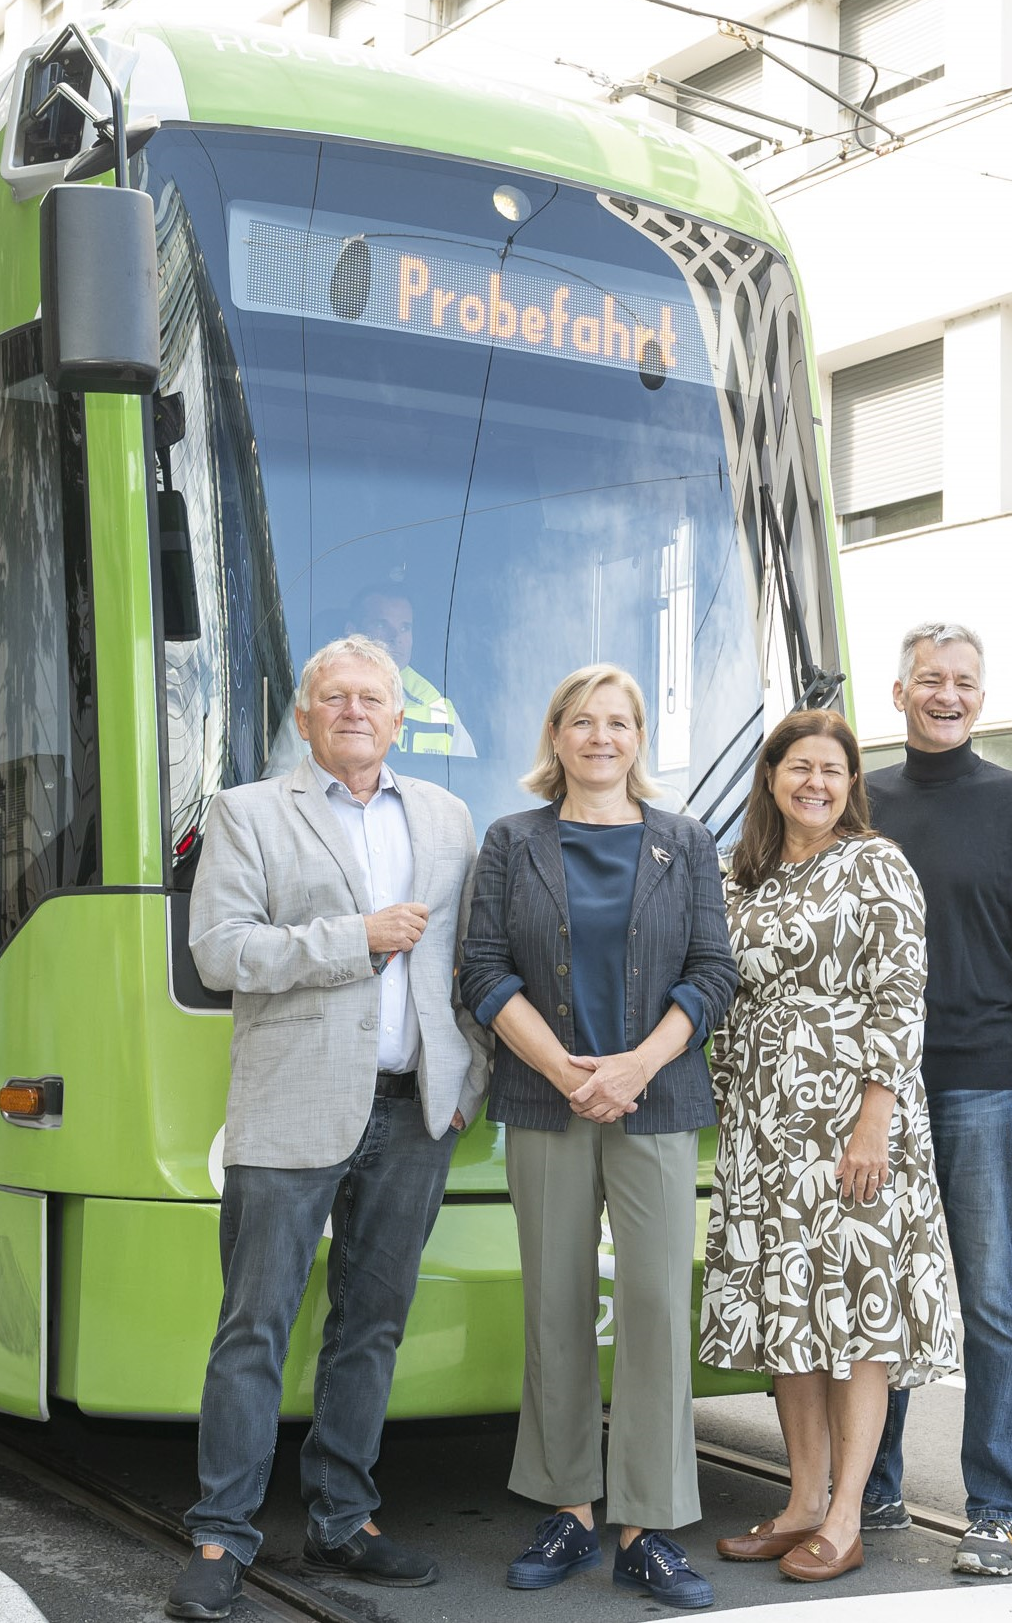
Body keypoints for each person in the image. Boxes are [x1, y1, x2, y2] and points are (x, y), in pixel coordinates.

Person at [167, 636, 492, 1623]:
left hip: (414, 1109)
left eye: (374, 698)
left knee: (372, 1323)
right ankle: (222, 1532)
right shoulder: (249, 810)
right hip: (291, 1104)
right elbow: (220, 952)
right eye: (334, 697)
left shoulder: (445, 816)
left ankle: (344, 1516)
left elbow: (468, 956)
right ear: (305, 718)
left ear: (401, 719)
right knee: (254, 1324)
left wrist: (467, 1067)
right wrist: (355, 938)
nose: (355, 710)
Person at [458, 664, 737, 1612]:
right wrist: (566, 1069)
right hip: (547, 1102)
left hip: (653, 1103)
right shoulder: (511, 841)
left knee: (658, 1307)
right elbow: (484, 972)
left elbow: (712, 975)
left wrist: (631, 1068)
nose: (602, 737)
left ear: (638, 739)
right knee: (556, 1306)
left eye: (620, 722)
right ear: (557, 735)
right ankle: (568, 1511)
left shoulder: (686, 841)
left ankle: (647, 1528)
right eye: (584, 721)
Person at [703, 710, 959, 1587]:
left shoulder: (876, 864)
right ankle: (801, 1502)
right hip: (764, 1125)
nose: (816, 783)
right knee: (792, 1316)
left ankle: (847, 1515)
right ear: (772, 776)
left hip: (855, 1119)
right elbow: (727, 1006)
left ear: (853, 786)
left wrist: (875, 1120)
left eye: (834, 771)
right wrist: (731, 1113)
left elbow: (900, 996)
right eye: (800, 767)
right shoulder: (745, 877)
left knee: (857, 1312)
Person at [860, 622, 1012, 1576]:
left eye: (965, 683)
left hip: (986, 1083)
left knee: (987, 1297)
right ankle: (873, 1483)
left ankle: (996, 1504)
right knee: (882, 1290)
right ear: (898, 692)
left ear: (981, 699)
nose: (949, 695)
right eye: (931, 680)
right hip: (877, 1089)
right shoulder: (860, 799)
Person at [346, 587, 475, 758]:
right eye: (381, 625)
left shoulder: (440, 713)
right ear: (352, 632)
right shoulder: (320, 701)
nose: (395, 637)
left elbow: (465, 781)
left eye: (405, 628)